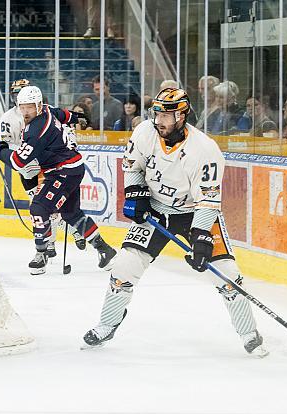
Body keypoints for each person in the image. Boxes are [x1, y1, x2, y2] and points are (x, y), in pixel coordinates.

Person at [82, 87, 267, 357]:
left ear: (182, 116)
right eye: (156, 114)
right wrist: (136, 194)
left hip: (195, 213)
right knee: (124, 268)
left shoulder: (205, 150)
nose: (159, 121)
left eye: (166, 116)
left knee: (227, 274)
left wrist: (202, 236)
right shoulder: (145, 132)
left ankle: (249, 332)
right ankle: (107, 324)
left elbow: (208, 200)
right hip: (157, 211)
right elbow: (132, 167)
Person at [0, 85, 117, 275]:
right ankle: (105, 250)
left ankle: (42, 253)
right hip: (72, 167)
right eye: (22, 107)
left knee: (39, 208)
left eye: (29, 107)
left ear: (38, 105)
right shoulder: (46, 110)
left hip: (62, 171)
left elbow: (18, 161)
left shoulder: (36, 130)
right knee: (71, 214)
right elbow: (60, 114)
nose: (25, 112)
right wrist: (75, 116)